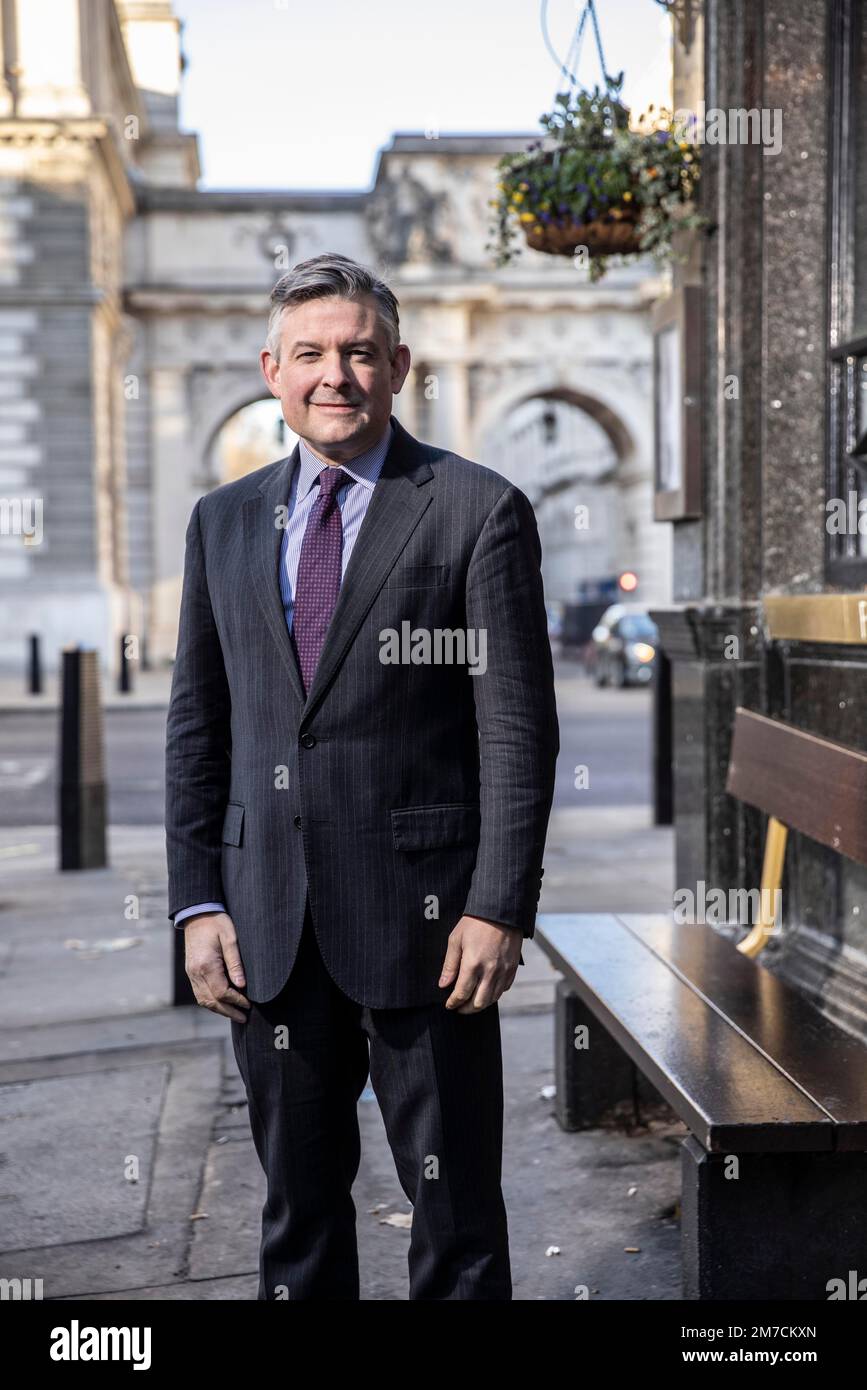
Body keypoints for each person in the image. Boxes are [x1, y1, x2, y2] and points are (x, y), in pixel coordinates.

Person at [165, 252, 559, 1300]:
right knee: (296, 1215)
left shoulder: (476, 509)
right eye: (309, 355)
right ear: (271, 369)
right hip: (267, 929)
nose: (332, 375)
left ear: (398, 366)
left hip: (429, 932)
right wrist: (197, 900)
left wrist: (497, 907)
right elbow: (198, 729)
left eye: (357, 353)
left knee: (457, 1216)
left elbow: (517, 730)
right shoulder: (223, 521)